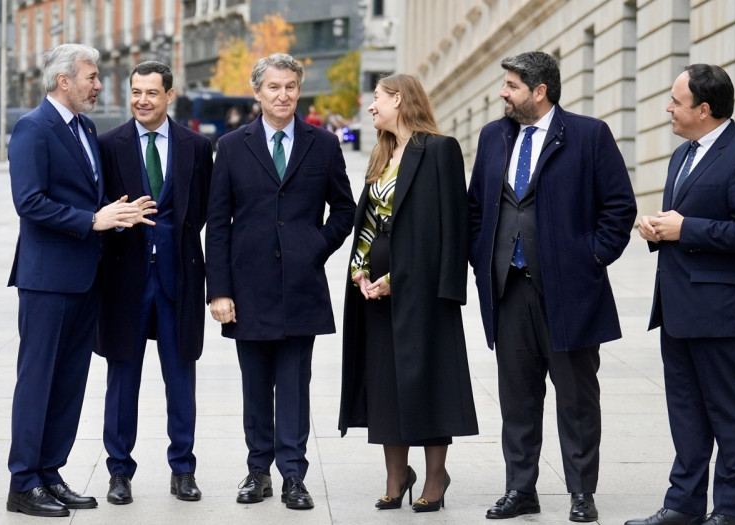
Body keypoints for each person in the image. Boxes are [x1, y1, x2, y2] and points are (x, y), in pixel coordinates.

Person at [467, 51, 636, 523]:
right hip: (508, 288)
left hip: (570, 292)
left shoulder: (588, 135)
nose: (504, 92)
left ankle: (582, 492)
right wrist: (482, 261)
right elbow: (476, 208)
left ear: (539, 91)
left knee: (577, 399)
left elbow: (619, 208)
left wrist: (590, 258)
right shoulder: (493, 136)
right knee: (517, 399)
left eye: (512, 85)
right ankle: (521, 489)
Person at [5, 43, 155, 518]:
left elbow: (94, 198)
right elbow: (29, 202)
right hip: (47, 280)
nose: (98, 85)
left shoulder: (87, 128)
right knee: (37, 381)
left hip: (86, 278)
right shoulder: (33, 128)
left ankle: (50, 473)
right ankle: (23, 481)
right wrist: (93, 220)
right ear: (63, 80)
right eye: (91, 76)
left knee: (69, 382)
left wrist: (120, 214)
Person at [205, 53, 355, 511]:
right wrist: (220, 290)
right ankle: (257, 472)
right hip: (247, 288)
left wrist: (314, 246)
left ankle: (293, 475)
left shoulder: (323, 144)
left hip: (300, 286)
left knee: (294, 384)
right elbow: (219, 222)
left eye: (291, 86)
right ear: (257, 92)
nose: (283, 94)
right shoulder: (232, 146)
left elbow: (345, 211)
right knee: (256, 385)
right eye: (274, 87)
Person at [629, 64, 735, 525]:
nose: (667, 108)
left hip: (720, 310)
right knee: (685, 412)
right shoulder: (681, 154)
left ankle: (729, 513)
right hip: (677, 308)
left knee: (728, 415)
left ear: (704, 109)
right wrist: (656, 228)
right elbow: (684, 221)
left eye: (676, 101)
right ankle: (683, 505)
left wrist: (685, 227)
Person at [337, 73, 477, 513]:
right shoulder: (383, 153)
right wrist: (361, 272)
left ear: (399, 99)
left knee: (429, 381)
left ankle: (435, 478)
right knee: (384, 384)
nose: (370, 106)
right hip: (375, 293)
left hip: (424, 289)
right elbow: (369, 225)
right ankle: (397, 475)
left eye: (376, 98)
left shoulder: (439, 149)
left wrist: (399, 278)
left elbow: (450, 228)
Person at [96, 61, 214, 505]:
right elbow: (101, 208)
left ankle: (183, 470)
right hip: (124, 278)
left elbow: (200, 213)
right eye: (135, 92)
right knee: (122, 378)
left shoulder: (197, 147)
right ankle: (119, 472)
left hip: (178, 277)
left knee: (181, 377)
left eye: (151, 92)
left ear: (169, 95)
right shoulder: (108, 144)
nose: (142, 100)